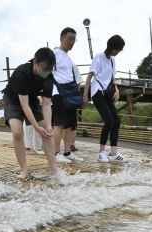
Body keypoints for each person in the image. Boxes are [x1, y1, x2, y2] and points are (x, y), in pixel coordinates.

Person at [3, 48, 58, 179]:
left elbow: (46, 104)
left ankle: (54, 169)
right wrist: (36, 127)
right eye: (43, 68)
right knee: (17, 132)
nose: (45, 72)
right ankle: (24, 170)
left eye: (49, 69)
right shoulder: (23, 72)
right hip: (13, 99)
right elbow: (24, 106)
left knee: (47, 131)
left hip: (32, 99)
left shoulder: (49, 78)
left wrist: (48, 125)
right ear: (35, 61)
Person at [83, 35, 128, 163]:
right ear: (113, 48)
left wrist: (117, 90)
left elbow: (113, 78)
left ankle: (113, 153)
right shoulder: (99, 57)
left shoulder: (113, 60)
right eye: (118, 49)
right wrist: (85, 95)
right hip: (97, 91)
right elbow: (89, 76)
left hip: (107, 92)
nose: (119, 52)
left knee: (116, 121)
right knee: (108, 121)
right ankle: (101, 152)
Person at [52, 27, 84, 163]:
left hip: (70, 93)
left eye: (74, 40)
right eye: (69, 39)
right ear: (61, 38)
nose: (72, 42)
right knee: (59, 123)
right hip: (58, 93)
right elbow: (47, 72)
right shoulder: (54, 54)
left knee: (71, 124)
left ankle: (67, 152)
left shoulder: (69, 58)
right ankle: (55, 153)